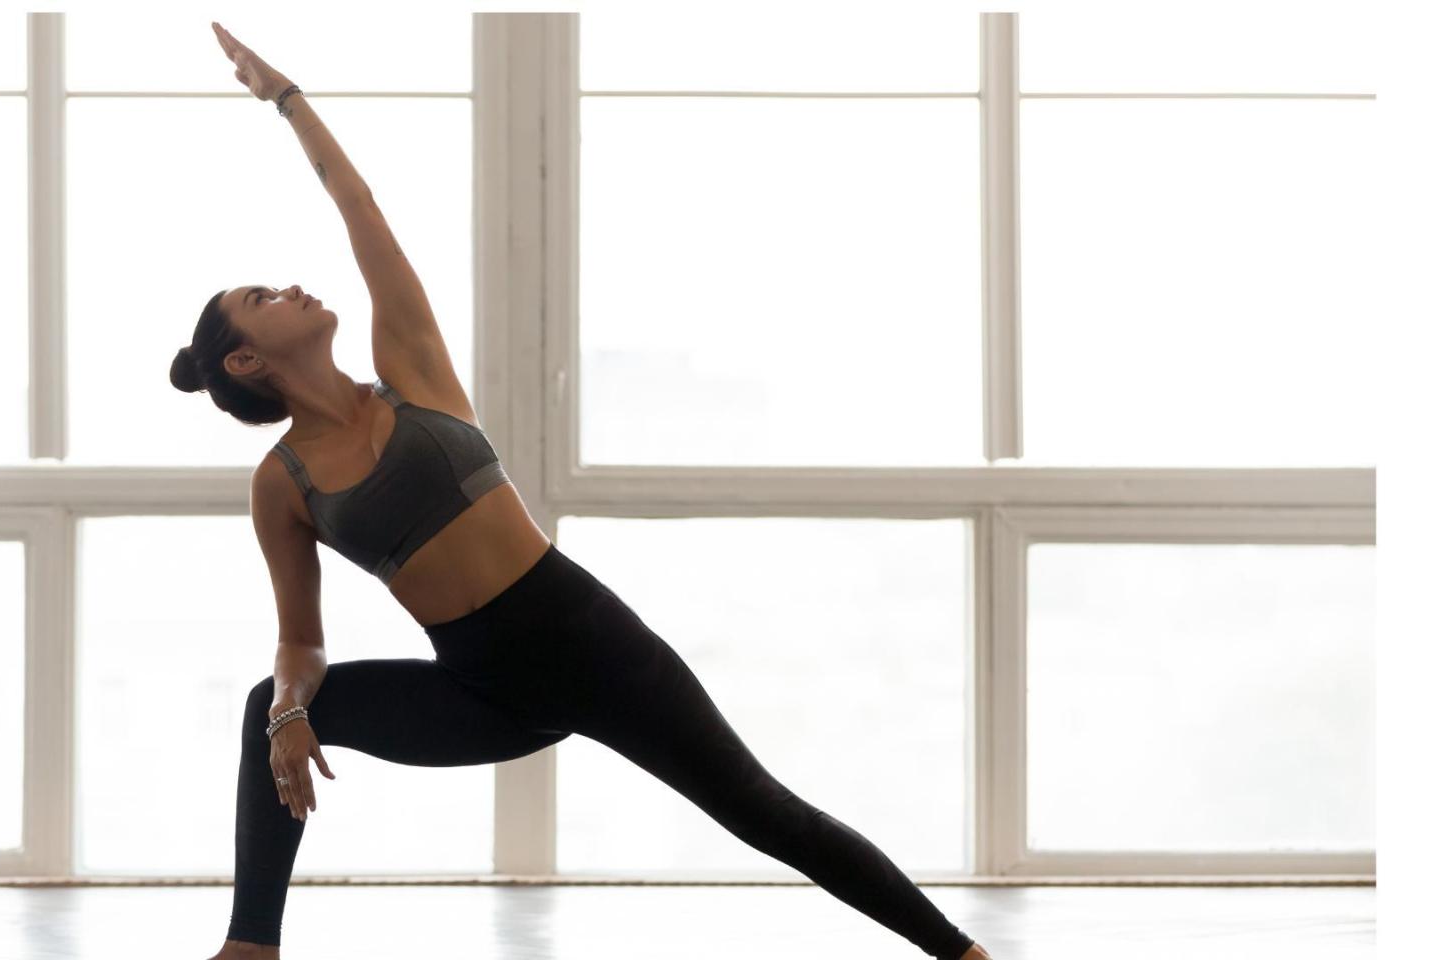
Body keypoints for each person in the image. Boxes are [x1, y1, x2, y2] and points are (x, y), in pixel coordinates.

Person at [177, 22, 992, 960]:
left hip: (591, 643)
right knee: (262, 709)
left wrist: (288, 99)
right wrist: (288, 709)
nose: (291, 287)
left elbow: (358, 205)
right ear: (246, 357)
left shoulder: (411, 373)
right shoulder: (281, 484)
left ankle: (962, 955)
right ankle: (251, 950)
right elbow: (301, 641)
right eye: (263, 296)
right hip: (481, 686)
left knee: (766, 814)